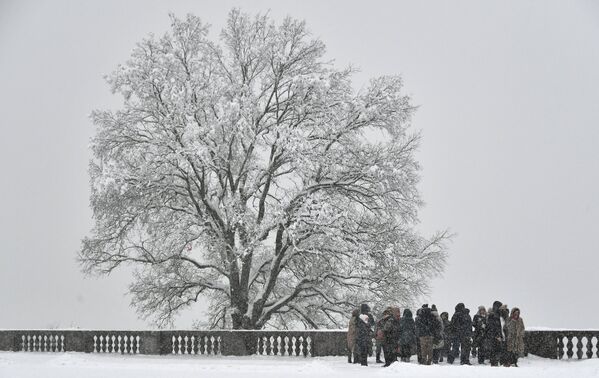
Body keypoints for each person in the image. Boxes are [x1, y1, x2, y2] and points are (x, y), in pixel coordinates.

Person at [485, 301, 504, 366]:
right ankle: (494, 364)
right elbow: (492, 327)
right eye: (500, 307)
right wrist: (497, 336)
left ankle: (494, 363)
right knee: (495, 351)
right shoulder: (493, 315)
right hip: (494, 337)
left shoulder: (496, 315)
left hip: (494, 337)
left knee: (496, 351)